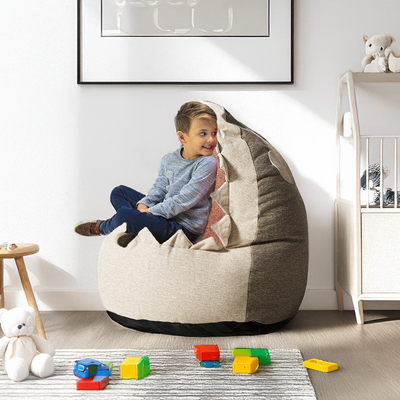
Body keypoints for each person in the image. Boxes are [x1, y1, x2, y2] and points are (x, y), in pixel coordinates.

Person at [74, 101, 218, 247]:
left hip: (183, 229)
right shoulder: (169, 159)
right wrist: (144, 204)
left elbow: (183, 200)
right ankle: (134, 229)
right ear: (182, 137)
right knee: (118, 192)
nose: (211, 139)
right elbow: (160, 188)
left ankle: (103, 227)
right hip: (163, 213)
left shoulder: (207, 163)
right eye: (203, 134)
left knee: (125, 214)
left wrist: (149, 212)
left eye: (214, 133)